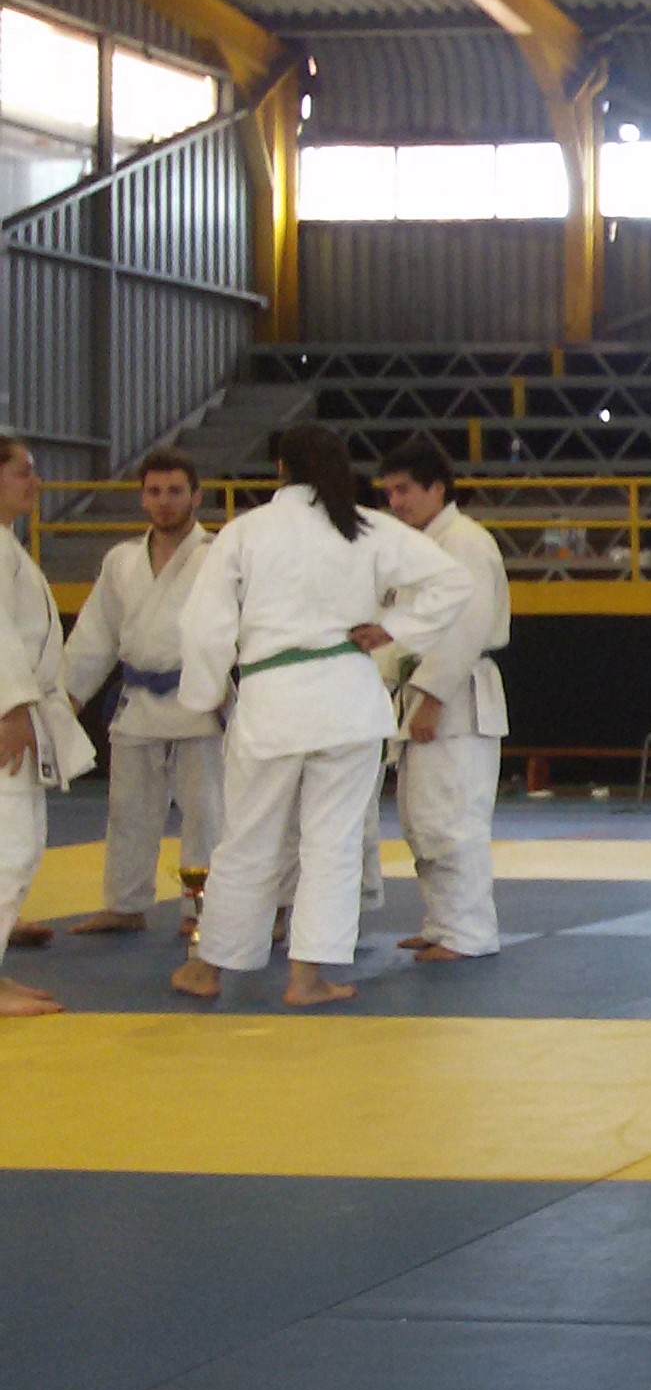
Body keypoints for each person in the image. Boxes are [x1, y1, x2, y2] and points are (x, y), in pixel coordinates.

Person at [172, 426, 471, 1008]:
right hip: (348, 701)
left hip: (272, 702)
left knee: (248, 840)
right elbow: (450, 581)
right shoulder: (366, 527)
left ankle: (209, 969)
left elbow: (202, 625)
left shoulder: (245, 533)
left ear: (280, 465)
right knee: (333, 844)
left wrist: (205, 692)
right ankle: (308, 978)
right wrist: (397, 630)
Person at [62, 448, 220, 940]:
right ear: (142, 499)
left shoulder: (217, 556)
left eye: (176, 491)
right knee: (127, 809)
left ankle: (204, 909)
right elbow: (96, 634)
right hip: (137, 703)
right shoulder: (121, 562)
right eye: (154, 492)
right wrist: (69, 696)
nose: (165, 502)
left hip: (199, 701)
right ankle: (125, 903)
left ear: (196, 495)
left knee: (207, 812)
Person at [374, 442, 509, 961]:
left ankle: (469, 933)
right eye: (389, 491)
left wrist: (431, 695)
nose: (396, 501)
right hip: (418, 693)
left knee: (453, 817)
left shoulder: (466, 543)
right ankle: (441, 922)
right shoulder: (417, 546)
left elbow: (466, 628)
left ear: (437, 489)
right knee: (421, 818)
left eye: (404, 489)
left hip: (455, 695)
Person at [0, 438, 94, 1015]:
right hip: (6, 715)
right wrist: (10, 709)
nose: (34, 483)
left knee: (21, 846)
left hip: (19, 706)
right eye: (22, 472)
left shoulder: (9, 547)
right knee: (8, 848)